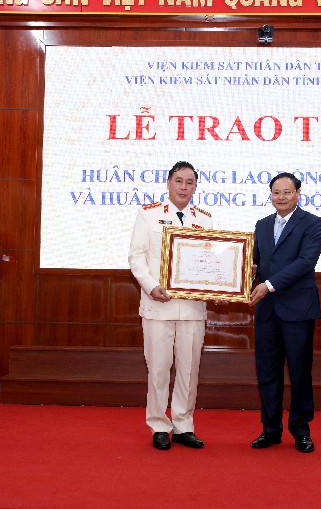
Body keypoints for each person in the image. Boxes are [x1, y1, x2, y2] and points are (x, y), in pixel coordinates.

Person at [128, 161, 213, 450]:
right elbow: (137, 256)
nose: (183, 187)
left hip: (191, 308)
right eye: (179, 181)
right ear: (168, 183)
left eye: (190, 182)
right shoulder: (149, 214)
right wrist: (150, 286)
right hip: (158, 305)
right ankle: (158, 425)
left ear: (195, 187)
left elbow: (210, 262)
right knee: (159, 369)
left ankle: (183, 425)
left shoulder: (205, 220)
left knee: (189, 370)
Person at [248, 172, 321, 453]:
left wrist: (268, 285)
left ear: (298, 194)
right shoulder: (262, 225)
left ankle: (301, 431)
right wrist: (238, 279)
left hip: (297, 310)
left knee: (299, 372)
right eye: (276, 192)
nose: (281, 197)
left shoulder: (313, 223)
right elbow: (256, 263)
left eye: (287, 192)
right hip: (267, 311)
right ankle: (270, 430)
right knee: (267, 373)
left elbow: (305, 262)